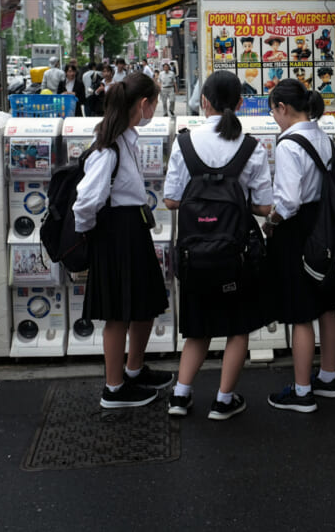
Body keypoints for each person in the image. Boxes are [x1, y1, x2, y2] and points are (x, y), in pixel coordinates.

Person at [164, 71, 273, 420]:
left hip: (194, 255)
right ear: (240, 104)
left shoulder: (184, 143)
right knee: (236, 328)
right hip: (235, 256)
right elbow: (265, 206)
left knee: (198, 328)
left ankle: (180, 396)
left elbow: (170, 200)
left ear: (204, 102)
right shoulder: (251, 147)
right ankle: (223, 401)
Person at [72, 72, 173, 408]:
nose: (156, 109)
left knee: (144, 306)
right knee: (118, 314)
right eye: (155, 103)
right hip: (116, 234)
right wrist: (90, 233)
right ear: (143, 104)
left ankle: (133, 370)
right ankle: (113, 388)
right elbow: (86, 201)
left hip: (131, 231)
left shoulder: (126, 140)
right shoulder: (110, 148)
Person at [261, 79, 335, 413]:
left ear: (282, 108)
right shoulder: (325, 138)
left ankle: (302, 391)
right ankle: (328, 377)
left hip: (298, 233)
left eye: (274, 111)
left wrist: (272, 221)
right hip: (326, 228)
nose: (275, 118)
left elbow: (289, 201)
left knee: (300, 313)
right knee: (327, 305)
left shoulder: (288, 144)